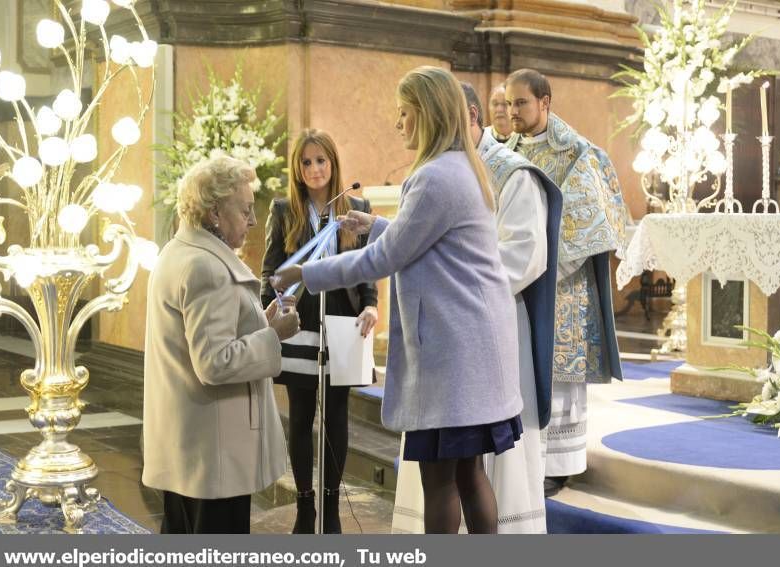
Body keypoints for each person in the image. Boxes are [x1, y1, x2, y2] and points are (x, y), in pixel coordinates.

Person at [272, 66, 523, 534]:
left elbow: (383, 260)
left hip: (453, 351)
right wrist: (378, 226)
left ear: (426, 115)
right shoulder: (463, 165)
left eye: (404, 114)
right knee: (469, 474)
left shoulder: (433, 177)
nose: (398, 124)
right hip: (472, 342)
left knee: (442, 480)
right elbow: (436, 244)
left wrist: (306, 271)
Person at [390, 82, 563, 534]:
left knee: (468, 469)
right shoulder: (445, 166)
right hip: (448, 337)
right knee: (456, 469)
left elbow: (527, 254)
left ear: (469, 115)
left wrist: (457, 287)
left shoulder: (511, 173)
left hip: (488, 327)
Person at [142, 155, 300, 534]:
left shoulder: (179, 252)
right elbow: (214, 362)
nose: (253, 220)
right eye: (245, 209)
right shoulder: (206, 267)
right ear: (214, 212)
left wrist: (259, 321)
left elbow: (206, 338)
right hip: (214, 453)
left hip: (192, 444)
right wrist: (273, 335)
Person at [504, 68, 628, 496]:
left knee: (557, 375)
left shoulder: (576, 152)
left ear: (545, 102)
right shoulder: (506, 152)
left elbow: (591, 224)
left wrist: (539, 266)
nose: (513, 111)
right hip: (520, 284)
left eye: (521, 102)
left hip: (562, 285)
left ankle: (560, 463)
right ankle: (527, 458)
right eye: (508, 103)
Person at [260, 129, 378, 534]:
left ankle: (331, 505)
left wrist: (371, 305)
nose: (314, 169)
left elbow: (369, 265)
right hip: (299, 323)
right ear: (297, 168)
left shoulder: (356, 207)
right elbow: (269, 269)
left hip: (343, 322)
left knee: (338, 416)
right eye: (306, 162)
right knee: (300, 416)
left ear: (333, 163)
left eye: (321, 161)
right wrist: (269, 312)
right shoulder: (284, 210)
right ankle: (304, 504)